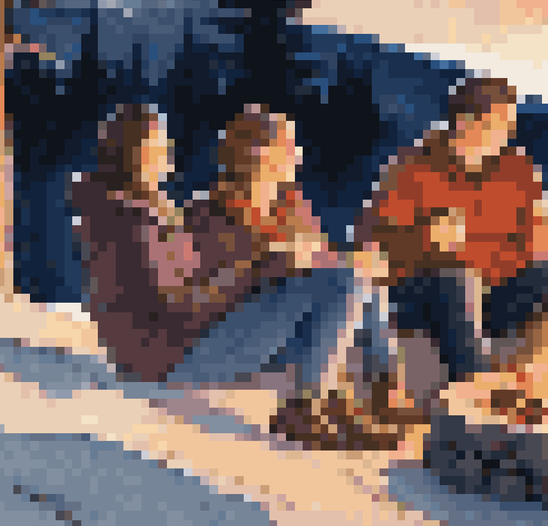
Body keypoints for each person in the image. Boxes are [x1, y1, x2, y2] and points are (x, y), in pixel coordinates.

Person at [175, 105, 399, 448]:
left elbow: (322, 268)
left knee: (363, 281)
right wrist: (284, 261)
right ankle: (302, 410)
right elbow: (220, 293)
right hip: (222, 340)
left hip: (276, 335)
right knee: (349, 279)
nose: (296, 156)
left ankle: (372, 397)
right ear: (258, 153)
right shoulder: (207, 212)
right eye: (287, 147)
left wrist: (353, 263)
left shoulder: (290, 205)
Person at [358, 76, 548, 416]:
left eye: (509, 125)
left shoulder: (516, 169)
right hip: (423, 292)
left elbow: (530, 243)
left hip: (490, 290)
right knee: (457, 276)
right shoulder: (414, 167)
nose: (507, 133)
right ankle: (476, 390)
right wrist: (425, 237)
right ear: (468, 121)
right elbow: (370, 247)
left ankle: (544, 381)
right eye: (500, 124)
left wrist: (492, 257)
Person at [68, 103, 204, 383]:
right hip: (165, 356)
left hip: (146, 352)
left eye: (164, 145)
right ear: (127, 156)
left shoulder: (116, 211)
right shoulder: (131, 220)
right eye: (154, 147)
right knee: (308, 283)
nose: (166, 157)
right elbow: (175, 298)